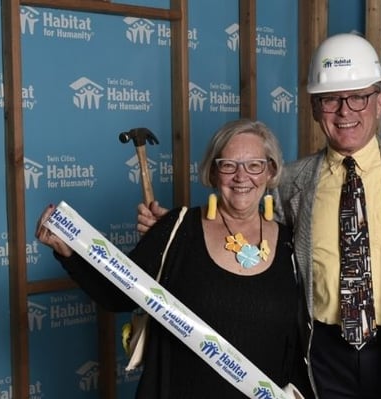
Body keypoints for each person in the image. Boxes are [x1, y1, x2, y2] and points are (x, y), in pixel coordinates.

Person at [139, 33, 381, 399]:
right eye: (331, 100)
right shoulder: (291, 182)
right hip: (324, 355)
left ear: (379, 102)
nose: (346, 112)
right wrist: (175, 235)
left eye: (359, 97)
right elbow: (250, 236)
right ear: (316, 108)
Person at [36, 119, 313, 399]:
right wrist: (68, 252)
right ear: (213, 173)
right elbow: (117, 295)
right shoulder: (177, 230)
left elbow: (302, 338)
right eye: (228, 165)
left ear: (271, 171)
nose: (241, 176)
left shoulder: (292, 241)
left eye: (254, 165)